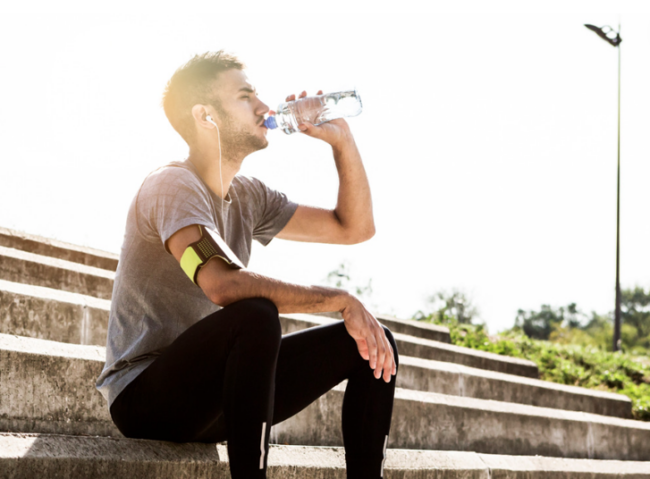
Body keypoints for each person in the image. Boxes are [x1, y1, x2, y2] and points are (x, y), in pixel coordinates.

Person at [95, 50, 398, 479]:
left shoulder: (250, 197)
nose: (263, 106)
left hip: (216, 398)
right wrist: (339, 300)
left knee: (371, 343)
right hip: (146, 398)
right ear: (206, 116)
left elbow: (354, 227)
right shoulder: (170, 185)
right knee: (254, 314)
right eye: (245, 96)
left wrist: (342, 142)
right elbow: (222, 284)